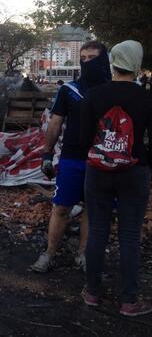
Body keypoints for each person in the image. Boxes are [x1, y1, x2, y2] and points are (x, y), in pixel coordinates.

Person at [80, 40, 152, 316]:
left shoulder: (94, 95)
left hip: (98, 171)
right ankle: (129, 301)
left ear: (113, 62)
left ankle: (92, 292)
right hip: (134, 172)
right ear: (135, 62)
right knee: (130, 236)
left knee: (97, 231)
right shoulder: (146, 97)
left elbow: (81, 136)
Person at [31, 41, 111, 273]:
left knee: (92, 209)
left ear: (103, 60)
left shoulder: (111, 91)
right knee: (61, 208)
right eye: (83, 58)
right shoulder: (69, 90)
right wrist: (47, 154)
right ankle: (49, 253)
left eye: (92, 58)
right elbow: (55, 123)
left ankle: (83, 254)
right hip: (71, 159)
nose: (86, 62)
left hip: (101, 160)